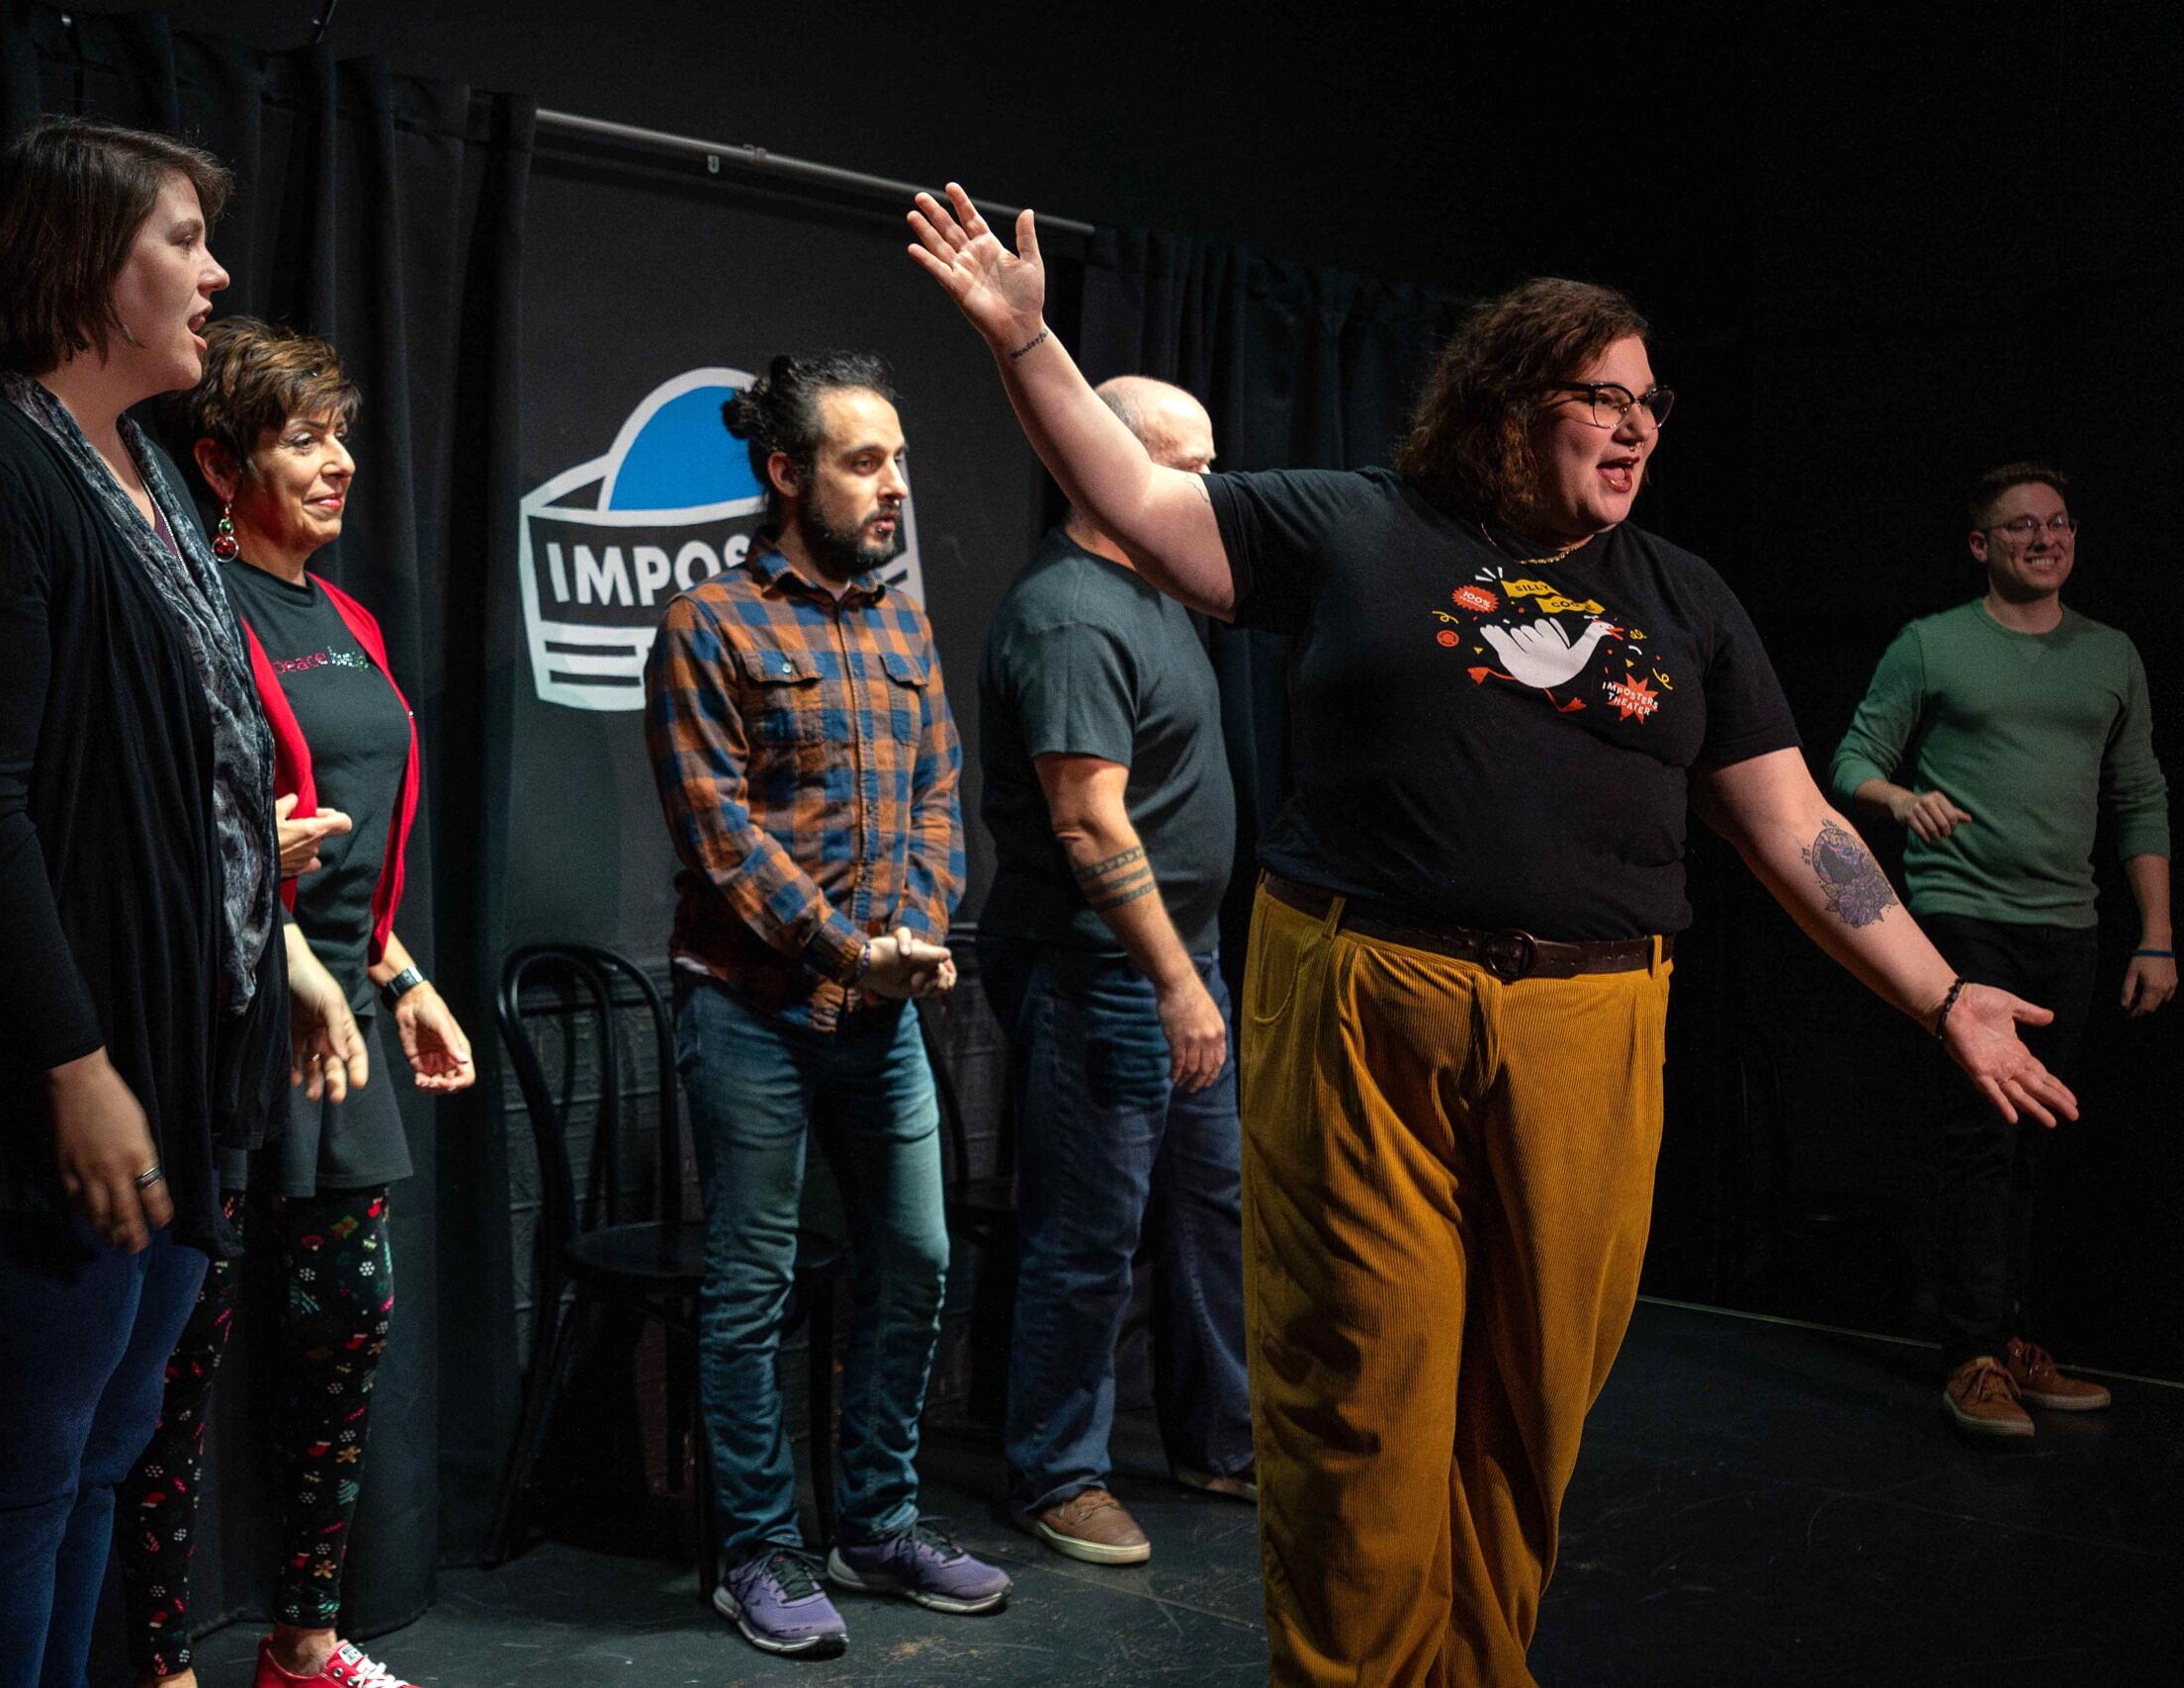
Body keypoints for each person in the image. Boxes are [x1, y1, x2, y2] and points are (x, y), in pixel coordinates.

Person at [906, 184, 2078, 1686]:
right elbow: (1141, 505)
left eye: (1653, 402)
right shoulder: (1357, 527)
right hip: (1365, 998)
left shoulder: (1686, 599)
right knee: (1366, 1393)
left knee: (1535, 1399)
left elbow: (1803, 832)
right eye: (1605, 397)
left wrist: (1944, 995)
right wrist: (1024, 339)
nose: (1640, 427)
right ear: (1514, 403)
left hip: (1591, 1022)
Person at [0, 117, 316, 1688]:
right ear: (78, 259)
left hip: (170, 1084)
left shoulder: (149, 473)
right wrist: (72, 1064)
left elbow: (151, 768)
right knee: (1, 1492)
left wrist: (262, 919)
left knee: (93, 1470)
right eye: (180, 237)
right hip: (27, 1106)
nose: (217, 271)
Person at [109, 319, 476, 1688]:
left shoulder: (352, 617)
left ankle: (306, 1638)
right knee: (177, 1379)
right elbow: (200, 837)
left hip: (342, 1040)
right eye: (298, 439)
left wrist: (401, 973)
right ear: (219, 461)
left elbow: (348, 844)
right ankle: (160, 1661)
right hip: (228, 1030)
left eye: (339, 435)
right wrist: (303, 964)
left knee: (338, 1360)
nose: (335, 464)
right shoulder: (191, 611)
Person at [643, 352, 1010, 1659]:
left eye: (901, 458)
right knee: (752, 1284)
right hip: (752, 1006)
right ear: (785, 472)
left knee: (914, 1257)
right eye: (866, 461)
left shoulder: (901, 627)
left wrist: (913, 932)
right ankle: (755, 1548)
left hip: (881, 1010)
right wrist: (851, 949)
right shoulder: (710, 624)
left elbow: (931, 798)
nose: (895, 484)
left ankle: (879, 1521)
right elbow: (721, 838)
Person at [1829, 462, 2170, 1439]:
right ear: (1981, 545)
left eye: (2057, 524)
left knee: (2040, 1147)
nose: (2043, 539)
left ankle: (2016, 1339)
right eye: (2020, 527)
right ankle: (1969, 1354)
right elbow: (1852, 761)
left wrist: (2155, 936)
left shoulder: (2110, 655)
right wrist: (1901, 800)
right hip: (1960, 915)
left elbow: (2139, 792)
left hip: (2069, 923)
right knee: (1981, 1139)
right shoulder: (1931, 646)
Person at [976, 375, 1250, 1566]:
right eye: (1185, 471)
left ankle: (1221, 1441)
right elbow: (1087, 825)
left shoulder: (1156, 590)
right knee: (1089, 1234)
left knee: (1211, 1211)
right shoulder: (1070, 615)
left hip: (1182, 961)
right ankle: (1054, 1475)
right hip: (1102, 971)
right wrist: (1175, 983)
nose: (1206, 494)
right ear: (1108, 466)